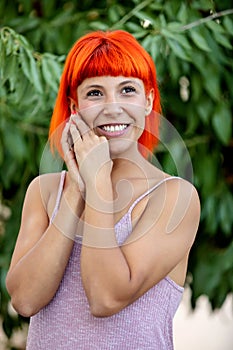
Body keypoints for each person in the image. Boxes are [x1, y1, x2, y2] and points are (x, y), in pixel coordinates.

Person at [6, 30, 200, 350]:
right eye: (95, 93)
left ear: (148, 100)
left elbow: (105, 297)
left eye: (127, 90)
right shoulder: (44, 190)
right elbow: (25, 300)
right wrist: (75, 189)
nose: (112, 108)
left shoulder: (174, 197)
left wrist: (98, 184)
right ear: (74, 106)